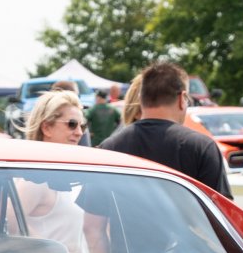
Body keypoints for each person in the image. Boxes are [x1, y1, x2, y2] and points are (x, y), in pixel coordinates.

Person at [99, 61, 231, 197]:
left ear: (141, 98)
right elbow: (224, 211)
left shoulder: (109, 148)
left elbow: (94, 217)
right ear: (182, 98)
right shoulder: (202, 148)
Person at [19, 90, 94, 253]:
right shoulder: (35, 178)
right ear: (46, 128)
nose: (79, 133)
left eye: (82, 126)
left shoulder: (64, 174)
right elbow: (12, 219)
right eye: (72, 124)